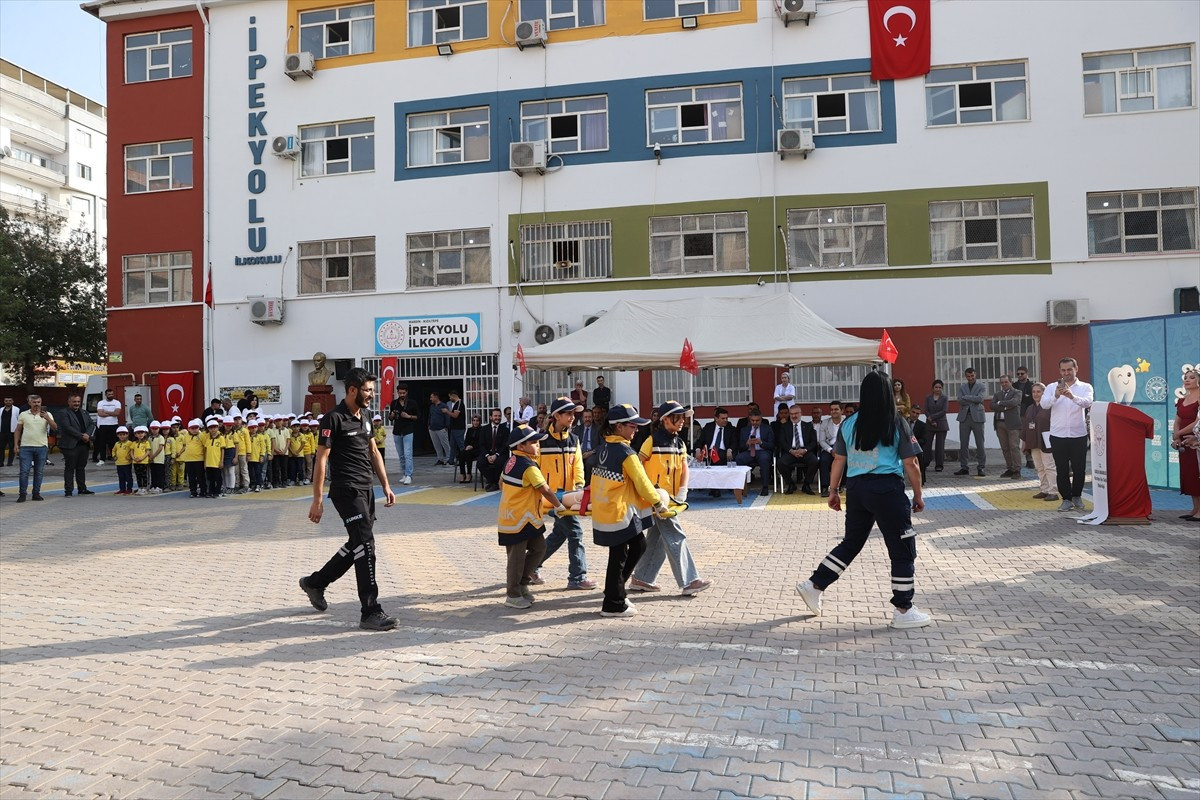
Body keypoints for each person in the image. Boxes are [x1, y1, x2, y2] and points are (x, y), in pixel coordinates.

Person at [796, 370, 932, 630]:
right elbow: (911, 462)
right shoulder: (896, 422)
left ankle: (814, 585)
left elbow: (838, 459)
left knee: (851, 543)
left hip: (857, 489)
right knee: (902, 548)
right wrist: (918, 494)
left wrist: (833, 491)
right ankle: (904, 609)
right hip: (887, 490)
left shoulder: (849, 424)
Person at [300, 368, 398, 632]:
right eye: (367, 390)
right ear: (352, 390)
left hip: (366, 489)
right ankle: (370, 611)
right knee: (366, 546)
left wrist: (386, 485)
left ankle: (315, 583)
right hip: (346, 491)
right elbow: (321, 460)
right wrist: (317, 499)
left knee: (357, 543)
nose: (371, 395)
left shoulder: (365, 417)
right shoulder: (332, 419)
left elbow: (373, 451)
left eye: (372, 390)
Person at [590, 404, 671, 617]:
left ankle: (615, 591)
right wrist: (658, 502)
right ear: (619, 427)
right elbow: (642, 483)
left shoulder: (604, 448)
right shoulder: (626, 452)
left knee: (637, 545)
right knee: (620, 556)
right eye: (632, 426)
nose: (636, 430)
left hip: (606, 510)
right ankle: (613, 604)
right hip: (619, 513)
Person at [629, 401, 711, 596]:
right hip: (657, 500)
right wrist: (648, 492)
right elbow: (637, 467)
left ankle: (641, 578)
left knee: (657, 539)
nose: (682, 421)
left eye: (683, 417)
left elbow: (684, 468)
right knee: (675, 536)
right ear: (665, 419)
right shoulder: (651, 441)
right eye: (677, 417)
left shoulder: (680, 443)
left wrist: (683, 490)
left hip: (672, 500)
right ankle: (690, 581)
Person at [531, 397, 597, 590]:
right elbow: (533, 468)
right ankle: (577, 577)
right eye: (568, 413)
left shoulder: (574, 439)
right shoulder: (541, 441)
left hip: (569, 497)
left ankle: (530, 567)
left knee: (560, 534)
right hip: (551, 497)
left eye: (573, 413)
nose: (572, 417)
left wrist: (579, 485)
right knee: (575, 533)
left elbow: (578, 465)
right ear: (556, 416)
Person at [497, 424, 565, 609]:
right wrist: (558, 506)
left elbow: (501, 482)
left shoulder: (511, 461)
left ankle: (522, 584)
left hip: (525, 519)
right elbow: (546, 490)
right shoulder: (528, 466)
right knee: (516, 559)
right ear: (521, 446)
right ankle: (513, 595)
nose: (538, 445)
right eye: (533, 442)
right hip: (517, 520)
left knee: (539, 548)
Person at [1039, 357, 1094, 512]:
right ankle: (1066, 499)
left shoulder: (1085, 387)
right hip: (1058, 435)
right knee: (1062, 469)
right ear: (1060, 371)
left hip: (1078, 434)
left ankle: (1077, 496)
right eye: (1063, 370)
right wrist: (1056, 395)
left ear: (1076, 369)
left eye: (1069, 369)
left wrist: (1072, 396)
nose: (1066, 373)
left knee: (1079, 469)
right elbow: (1044, 404)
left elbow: (1088, 402)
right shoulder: (1052, 387)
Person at [14, 394, 57, 502]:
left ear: (41, 403)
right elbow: (18, 430)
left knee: (39, 472)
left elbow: (55, 428)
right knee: (24, 472)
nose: (36, 404)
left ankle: (36, 493)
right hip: (26, 447)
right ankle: (22, 494)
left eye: (38, 402)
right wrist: (16, 444)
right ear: (30, 403)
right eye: (34, 402)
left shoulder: (47, 414)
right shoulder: (23, 414)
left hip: (41, 447)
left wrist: (47, 418)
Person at [1172, 368, 1200, 521]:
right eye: (1186, 377)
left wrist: (1179, 433)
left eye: (1192, 377)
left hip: (1196, 441)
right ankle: (1195, 508)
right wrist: (1176, 436)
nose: (1187, 380)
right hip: (1184, 443)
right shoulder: (1182, 400)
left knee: (1197, 474)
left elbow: (1197, 422)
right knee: (1189, 475)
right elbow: (1177, 420)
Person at [1022, 383, 1058, 503]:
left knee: (1049, 466)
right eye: (1034, 392)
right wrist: (1024, 442)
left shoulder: (1049, 407)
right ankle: (1044, 489)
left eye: (1039, 392)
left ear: (1044, 393)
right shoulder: (1030, 408)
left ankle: (1053, 491)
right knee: (1039, 467)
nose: (1036, 394)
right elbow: (1025, 426)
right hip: (1033, 440)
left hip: (1046, 440)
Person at [56, 394, 96, 497]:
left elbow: (91, 424)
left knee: (81, 467)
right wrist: (81, 436)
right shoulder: (63, 413)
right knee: (70, 468)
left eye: (78, 401)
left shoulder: (84, 412)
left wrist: (87, 435)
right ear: (69, 402)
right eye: (74, 401)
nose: (76, 403)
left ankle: (82, 489)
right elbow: (67, 427)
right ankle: (68, 491)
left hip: (84, 444)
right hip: (70, 444)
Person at [778, 404, 818, 495]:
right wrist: (791, 451)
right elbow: (782, 442)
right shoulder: (785, 426)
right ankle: (790, 484)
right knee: (780, 463)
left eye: (796, 413)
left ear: (801, 413)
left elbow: (813, 442)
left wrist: (805, 450)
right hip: (790, 452)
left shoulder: (808, 426)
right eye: (791, 414)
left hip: (805, 451)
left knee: (815, 462)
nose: (794, 416)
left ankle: (806, 484)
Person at [955, 367, 987, 477]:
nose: (970, 378)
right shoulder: (962, 387)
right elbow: (959, 400)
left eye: (972, 376)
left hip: (977, 417)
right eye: (968, 376)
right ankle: (964, 467)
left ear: (975, 375)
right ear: (965, 376)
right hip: (964, 417)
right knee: (963, 444)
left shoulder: (981, 386)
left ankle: (981, 467)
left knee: (980, 443)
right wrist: (972, 399)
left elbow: (980, 399)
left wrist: (967, 397)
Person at [735, 407, 774, 497]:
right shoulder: (744, 430)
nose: (755, 422)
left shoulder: (767, 429)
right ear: (749, 419)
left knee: (764, 459)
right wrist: (747, 444)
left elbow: (772, 445)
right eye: (753, 420)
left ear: (761, 419)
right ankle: (741, 486)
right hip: (748, 452)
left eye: (757, 420)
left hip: (762, 451)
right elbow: (740, 447)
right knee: (738, 458)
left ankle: (765, 487)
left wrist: (761, 442)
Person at [992, 375, 1024, 478]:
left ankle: (1017, 470)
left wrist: (1000, 403)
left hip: (1012, 424)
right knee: (1005, 448)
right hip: (999, 424)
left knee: (1014, 447)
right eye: (1002, 382)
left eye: (1006, 382)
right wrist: (1006, 407)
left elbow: (1014, 402)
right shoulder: (997, 394)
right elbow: (992, 405)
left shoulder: (1017, 392)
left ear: (1011, 382)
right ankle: (1010, 468)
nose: (1004, 384)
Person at [388, 383, 419, 485]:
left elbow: (417, 417)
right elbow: (390, 418)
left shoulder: (412, 403)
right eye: (400, 393)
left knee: (407, 454)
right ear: (397, 392)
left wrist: (408, 416)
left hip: (408, 430)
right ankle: (404, 474)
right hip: (397, 431)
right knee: (401, 455)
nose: (402, 395)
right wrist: (392, 415)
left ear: (407, 392)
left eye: (403, 393)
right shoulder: (394, 403)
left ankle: (409, 475)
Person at [816, 401, 844, 497]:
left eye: (836, 409)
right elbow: (822, 441)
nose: (833, 411)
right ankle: (825, 487)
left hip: (844, 448)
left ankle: (842, 485)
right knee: (823, 460)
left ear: (842, 411)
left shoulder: (846, 422)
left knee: (847, 460)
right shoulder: (825, 423)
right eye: (831, 409)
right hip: (829, 448)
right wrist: (830, 450)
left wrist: (841, 450)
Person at [477, 409, 509, 491]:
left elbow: (505, 445)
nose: (497, 418)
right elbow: (481, 444)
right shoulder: (484, 429)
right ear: (491, 417)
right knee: (480, 463)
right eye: (495, 416)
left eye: (499, 416)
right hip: (487, 453)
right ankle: (493, 481)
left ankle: (495, 483)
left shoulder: (505, 429)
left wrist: (496, 455)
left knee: (500, 462)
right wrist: (487, 456)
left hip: (500, 454)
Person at [923, 380, 949, 472]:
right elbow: (926, 410)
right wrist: (930, 419)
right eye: (936, 387)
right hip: (930, 424)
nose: (938, 389)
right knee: (927, 444)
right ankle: (925, 462)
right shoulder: (928, 397)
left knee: (940, 446)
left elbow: (944, 411)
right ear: (932, 388)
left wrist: (932, 417)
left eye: (940, 387)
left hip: (941, 424)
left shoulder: (944, 398)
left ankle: (939, 465)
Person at [1014, 366, 1036, 469]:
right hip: (1016, 415)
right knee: (1015, 438)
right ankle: (1016, 462)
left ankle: (1030, 459)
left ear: (1027, 374)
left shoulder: (1031, 386)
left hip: (1028, 415)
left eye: (1022, 373)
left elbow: (1032, 400)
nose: (1020, 375)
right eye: (1018, 374)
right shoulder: (1014, 386)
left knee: (1029, 437)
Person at [94, 387, 122, 464]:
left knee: (114, 442)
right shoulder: (100, 403)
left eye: (112, 394)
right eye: (109, 394)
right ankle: (102, 459)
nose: (111, 395)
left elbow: (117, 413)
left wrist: (106, 412)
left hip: (114, 425)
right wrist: (112, 413)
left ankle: (115, 457)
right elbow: (100, 414)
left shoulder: (117, 402)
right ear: (106, 395)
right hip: (103, 425)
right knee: (102, 443)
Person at [180, 419, 206, 497]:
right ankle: (193, 491)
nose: (194, 430)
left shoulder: (201, 435)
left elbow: (205, 447)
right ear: (189, 429)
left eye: (196, 428)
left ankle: (203, 491)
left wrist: (205, 458)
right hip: (188, 459)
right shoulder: (186, 436)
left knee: (200, 476)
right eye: (192, 428)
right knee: (191, 477)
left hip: (199, 459)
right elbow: (185, 445)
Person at [428, 391, 451, 466]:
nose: (430, 399)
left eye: (431, 397)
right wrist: (429, 425)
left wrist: (446, 426)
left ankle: (449, 458)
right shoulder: (431, 406)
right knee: (436, 445)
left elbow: (447, 417)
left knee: (445, 444)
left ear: (436, 397)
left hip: (441, 428)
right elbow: (430, 416)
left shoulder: (444, 406)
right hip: (432, 429)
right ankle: (440, 459)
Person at [445, 389, 466, 466]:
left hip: (459, 428)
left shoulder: (459, 403)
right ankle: (451, 460)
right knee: (452, 444)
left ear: (453, 396)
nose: (450, 399)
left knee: (461, 445)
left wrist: (447, 411)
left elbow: (455, 415)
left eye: (450, 397)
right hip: (454, 428)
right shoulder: (456, 404)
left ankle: (463, 460)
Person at [112, 425, 134, 495]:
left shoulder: (129, 443)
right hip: (119, 463)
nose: (122, 436)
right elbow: (113, 450)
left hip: (127, 463)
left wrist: (130, 456)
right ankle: (122, 489)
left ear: (127, 435)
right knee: (121, 477)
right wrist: (114, 456)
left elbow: (132, 450)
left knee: (128, 476)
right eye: (120, 435)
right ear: (117, 435)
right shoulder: (117, 444)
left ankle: (129, 489)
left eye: (124, 434)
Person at [459, 414, 481, 483]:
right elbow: (466, 441)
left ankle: (469, 474)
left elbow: (481, 442)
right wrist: (467, 446)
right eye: (474, 420)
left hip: (477, 449)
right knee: (462, 453)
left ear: (479, 421)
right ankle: (462, 473)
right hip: (468, 448)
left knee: (468, 453)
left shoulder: (482, 430)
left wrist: (472, 446)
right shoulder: (469, 430)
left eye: (477, 421)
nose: (475, 422)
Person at [130, 425, 152, 495]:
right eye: (138, 433)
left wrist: (142, 458)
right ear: (135, 434)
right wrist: (134, 458)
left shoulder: (146, 442)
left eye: (142, 433)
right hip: (136, 462)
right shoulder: (134, 443)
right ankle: (140, 487)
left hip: (143, 462)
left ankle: (145, 488)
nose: (140, 434)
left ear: (144, 433)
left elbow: (147, 451)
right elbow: (131, 451)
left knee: (144, 475)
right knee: (138, 475)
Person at [2, 396, 17, 466]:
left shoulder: (16, 410)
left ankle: (9, 462)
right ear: (4, 402)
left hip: (12, 432)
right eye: (6, 401)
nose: (8, 402)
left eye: (9, 400)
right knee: (1, 447)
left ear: (12, 401)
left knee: (11, 447)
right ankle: (1, 462)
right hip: (2, 432)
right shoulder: (1, 410)